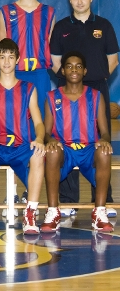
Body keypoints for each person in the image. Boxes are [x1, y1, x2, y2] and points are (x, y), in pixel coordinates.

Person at [50, 0, 119, 218]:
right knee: (66, 141)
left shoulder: (104, 25)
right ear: (69, 0)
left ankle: (103, 200)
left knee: (102, 142)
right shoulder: (60, 27)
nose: (79, 1)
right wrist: (72, 82)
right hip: (67, 92)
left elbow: (113, 59)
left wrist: (94, 82)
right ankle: (68, 200)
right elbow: (56, 61)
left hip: (96, 90)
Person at [0, 0, 56, 216]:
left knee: (37, 130)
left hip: (41, 74)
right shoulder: (6, 11)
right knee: (11, 127)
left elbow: (53, 52)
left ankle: (27, 191)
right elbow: (0, 48)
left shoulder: (49, 12)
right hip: (15, 73)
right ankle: (12, 187)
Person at [0, 38, 45, 235]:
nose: (6, 62)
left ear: (18, 59)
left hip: (21, 147)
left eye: (11, 57)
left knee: (38, 155)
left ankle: (31, 212)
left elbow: (38, 122)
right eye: (2, 57)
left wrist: (38, 138)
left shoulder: (29, 88)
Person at [41, 51, 114, 233]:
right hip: (64, 151)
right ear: (63, 71)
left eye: (78, 66)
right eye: (69, 66)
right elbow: (46, 132)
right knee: (51, 151)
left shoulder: (96, 96)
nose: (74, 69)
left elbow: (104, 132)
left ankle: (99, 212)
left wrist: (104, 140)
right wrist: (50, 141)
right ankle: (52, 211)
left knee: (104, 151)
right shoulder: (52, 97)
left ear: (85, 71)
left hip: (88, 150)